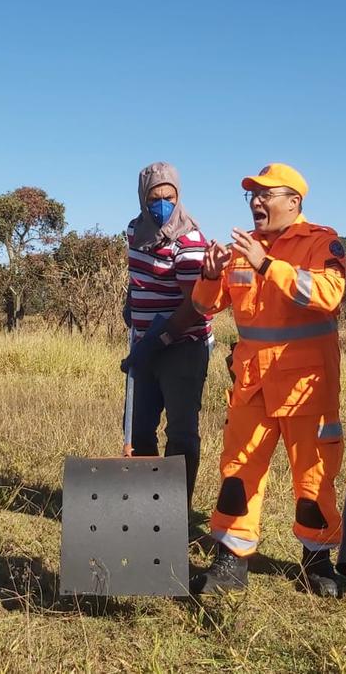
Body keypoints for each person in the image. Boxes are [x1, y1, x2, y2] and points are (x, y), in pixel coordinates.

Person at [189, 163, 346, 597]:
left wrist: (268, 265)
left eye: (266, 195)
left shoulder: (321, 240)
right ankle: (231, 559)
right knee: (238, 471)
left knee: (314, 477)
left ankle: (316, 563)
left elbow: (328, 295)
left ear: (293, 202)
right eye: (252, 196)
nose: (256, 202)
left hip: (307, 388)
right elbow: (208, 306)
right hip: (252, 383)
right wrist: (208, 274)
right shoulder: (242, 247)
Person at [120, 162, 213, 504]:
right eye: (154, 197)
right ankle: (148, 507)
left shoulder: (189, 240)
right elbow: (136, 276)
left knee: (181, 431)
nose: (162, 204)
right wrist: (131, 304)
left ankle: (175, 512)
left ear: (178, 196)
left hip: (183, 343)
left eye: (169, 197)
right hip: (145, 341)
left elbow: (195, 306)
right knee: (138, 427)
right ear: (143, 199)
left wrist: (158, 341)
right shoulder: (134, 231)